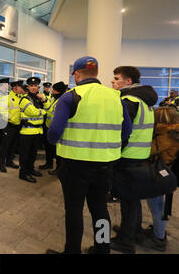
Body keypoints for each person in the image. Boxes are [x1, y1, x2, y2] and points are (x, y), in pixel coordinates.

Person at [46, 56, 132, 254]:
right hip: (105, 165)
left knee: (74, 211)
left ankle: (72, 251)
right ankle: (103, 249)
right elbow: (126, 131)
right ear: (96, 72)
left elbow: (54, 133)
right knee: (100, 209)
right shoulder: (116, 97)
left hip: (75, 165)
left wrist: (55, 141)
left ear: (77, 74)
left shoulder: (71, 96)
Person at [109, 66, 157, 254]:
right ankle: (133, 230)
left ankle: (125, 242)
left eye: (116, 78)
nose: (113, 81)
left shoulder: (128, 101)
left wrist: (112, 152)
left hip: (127, 156)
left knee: (127, 199)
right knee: (133, 198)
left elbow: (122, 132)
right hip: (140, 155)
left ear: (128, 82)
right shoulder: (145, 101)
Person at [141, 107, 179, 251]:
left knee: (157, 207)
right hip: (165, 173)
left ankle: (159, 238)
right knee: (159, 206)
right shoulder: (173, 132)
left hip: (157, 174)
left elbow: (148, 151)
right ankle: (158, 231)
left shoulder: (166, 134)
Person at [18, 77, 49, 183]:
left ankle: (30, 170)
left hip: (37, 131)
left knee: (33, 154)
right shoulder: (25, 99)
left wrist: (44, 100)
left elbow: (49, 108)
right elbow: (34, 112)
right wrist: (43, 110)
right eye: (31, 86)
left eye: (35, 86)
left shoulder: (40, 97)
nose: (34, 88)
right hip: (27, 131)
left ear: (38, 87)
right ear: (28, 87)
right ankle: (23, 173)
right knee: (25, 155)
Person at [0, 80, 24, 173]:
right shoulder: (6, 97)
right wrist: (9, 118)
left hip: (17, 125)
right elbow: (2, 111)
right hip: (8, 125)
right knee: (5, 146)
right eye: (20, 87)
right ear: (15, 88)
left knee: (13, 145)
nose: (22, 88)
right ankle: (1, 164)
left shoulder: (20, 98)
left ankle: (9, 161)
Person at [43, 81, 68, 176]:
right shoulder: (54, 98)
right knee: (49, 148)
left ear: (58, 91)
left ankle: (59, 169)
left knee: (57, 152)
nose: (52, 91)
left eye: (53, 89)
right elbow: (49, 109)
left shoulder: (62, 100)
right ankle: (48, 164)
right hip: (49, 127)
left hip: (57, 129)